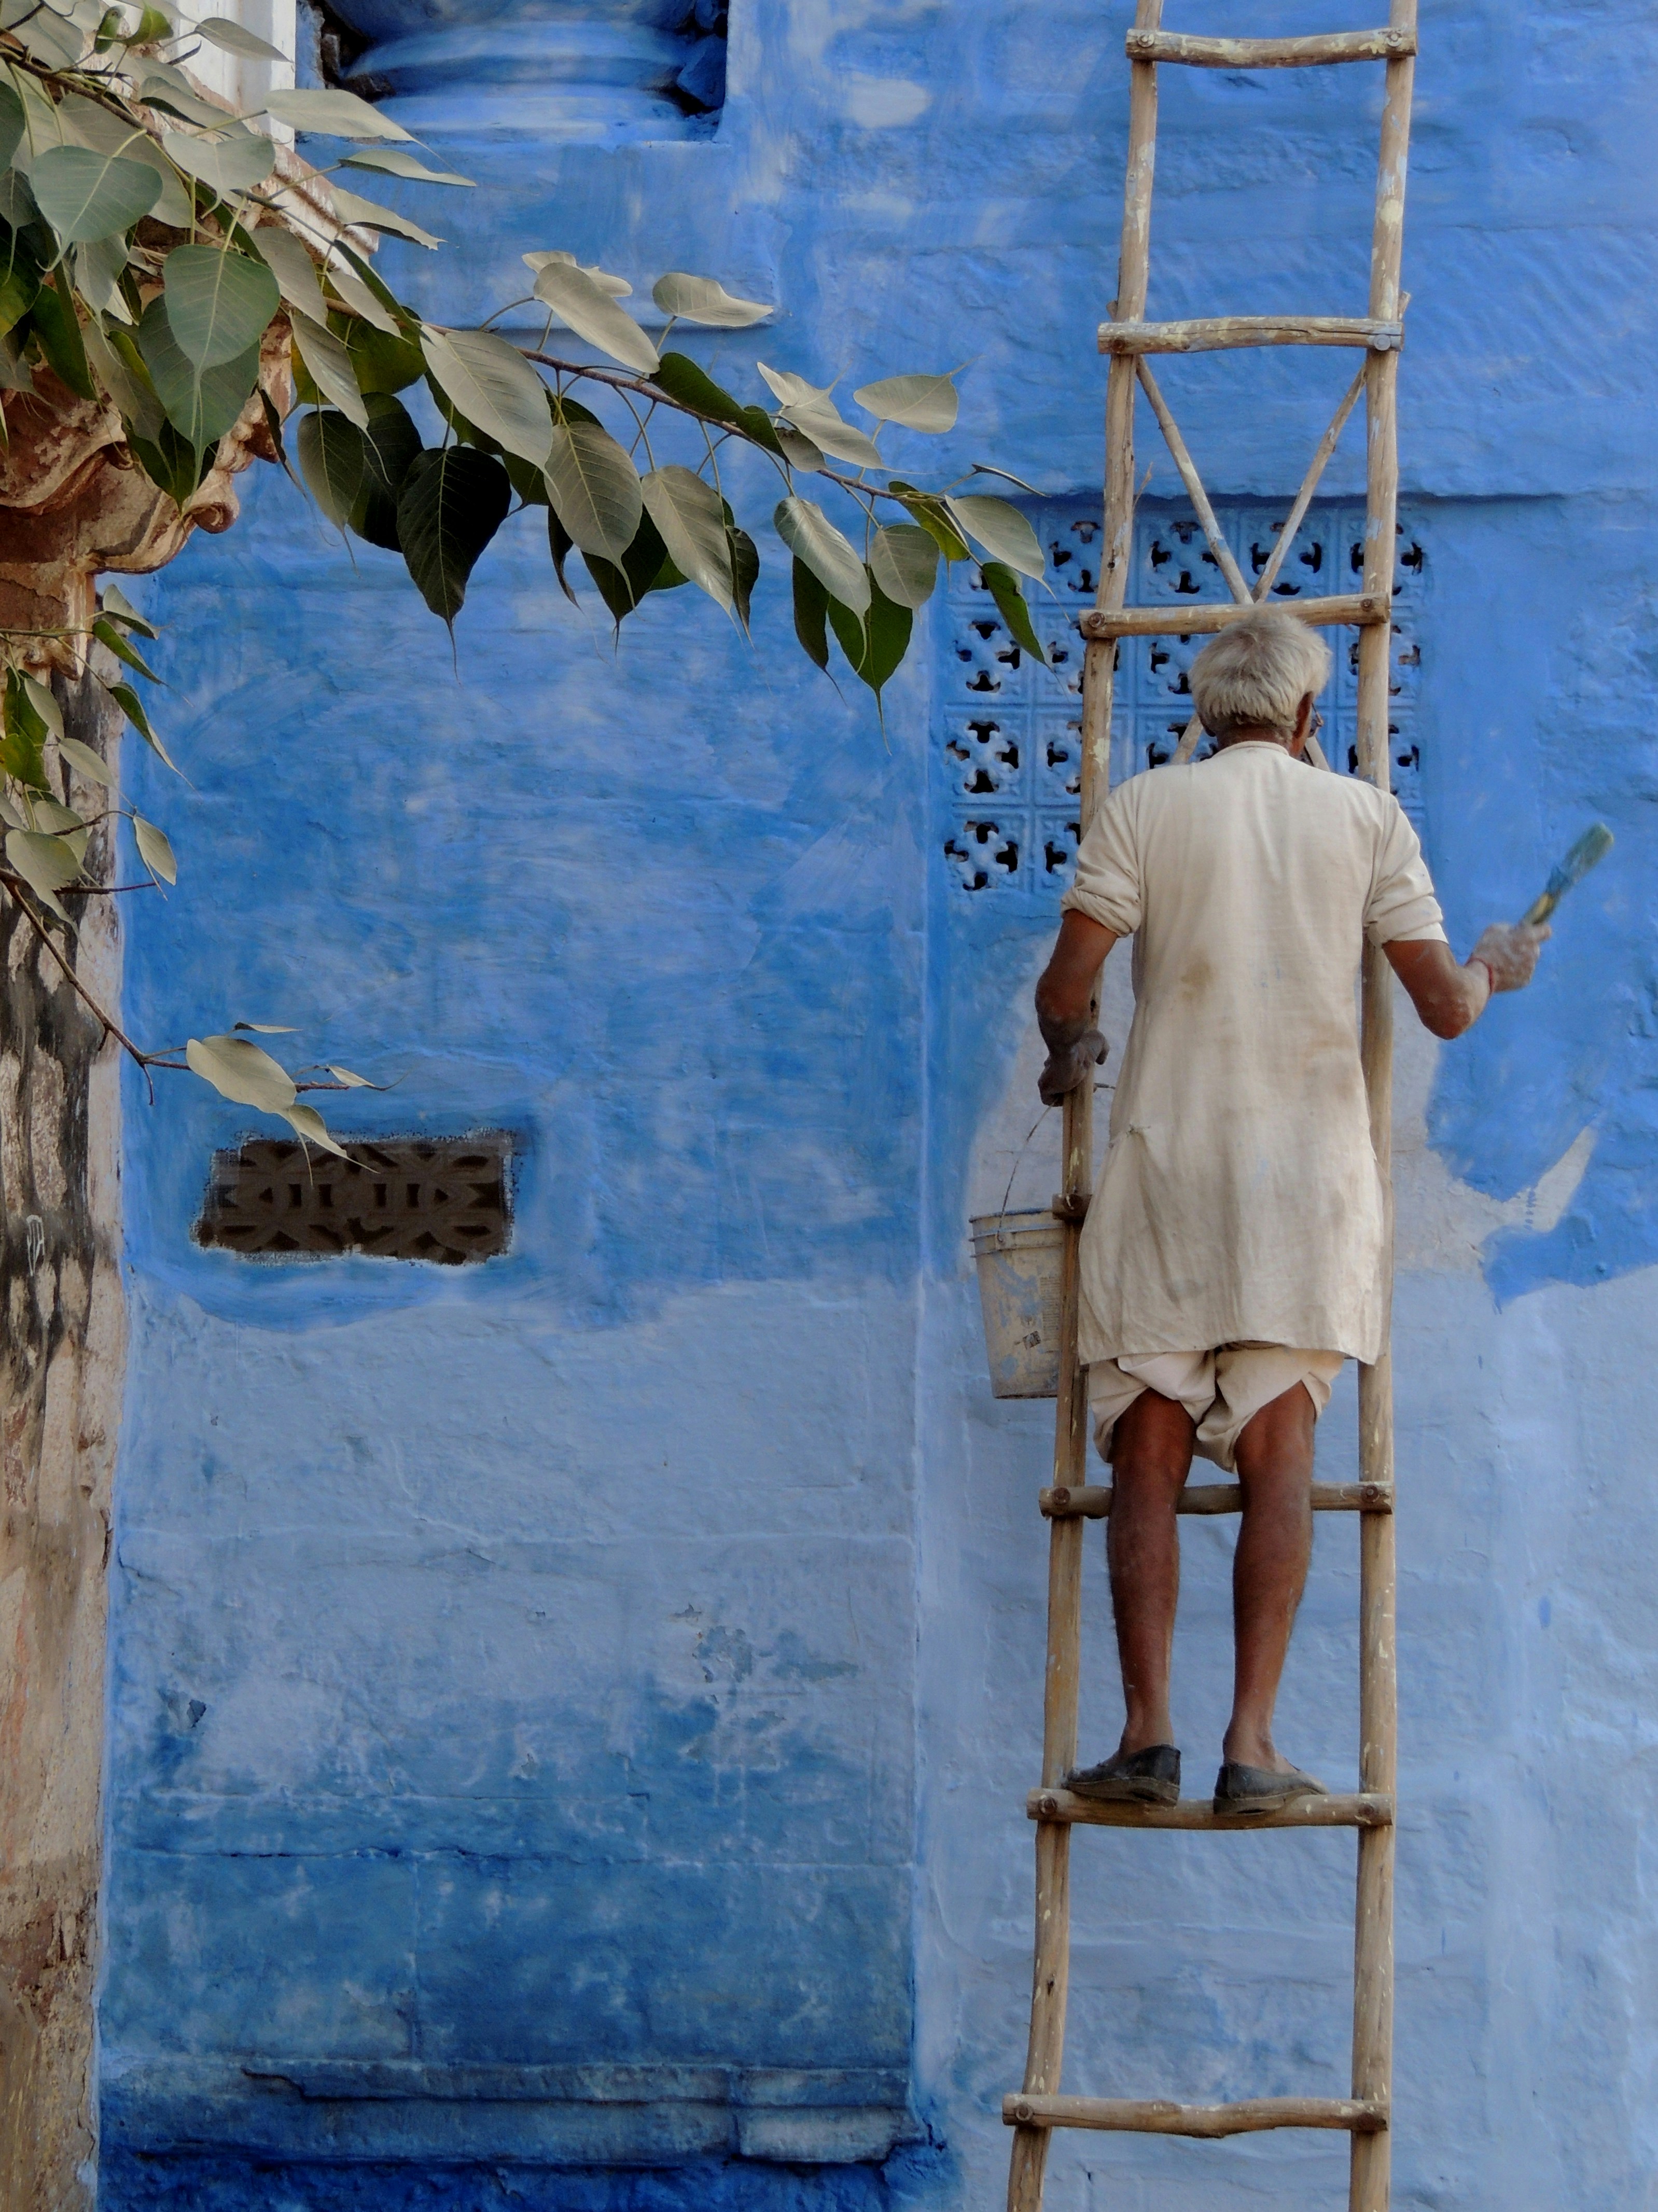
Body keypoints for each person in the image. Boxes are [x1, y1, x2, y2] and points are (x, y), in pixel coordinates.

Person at [1033, 606, 1545, 1817]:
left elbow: (1068, 987)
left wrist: (1073, 1044)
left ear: (1205, 716)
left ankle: (1146, 1735)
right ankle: (1252, 1745)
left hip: (1169, 1163)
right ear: (1311, 716)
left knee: (1146, 1448)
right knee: (1280, 1445)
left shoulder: (1145, 807)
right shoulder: (1366, 816)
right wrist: (1494, 967)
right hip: (1308, 1182)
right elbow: (1446, 1011)